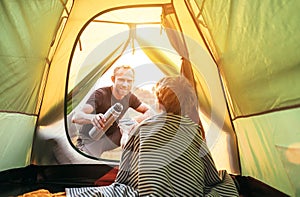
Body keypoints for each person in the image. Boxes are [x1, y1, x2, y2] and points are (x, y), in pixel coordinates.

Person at [66, 75, 239, 196]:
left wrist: (132, 130)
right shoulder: (194, 131)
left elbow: (126, 175)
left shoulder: (143, 129)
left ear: (159, 101)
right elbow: (209, 174)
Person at [72, 65, 153, 157]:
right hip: (88, 142)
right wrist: (92, 118)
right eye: (121, 80)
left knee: (132, 126)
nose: (125, 84)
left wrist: (132, 121)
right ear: (113, 79)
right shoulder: (101, 94)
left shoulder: (129, 97)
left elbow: (150, 112)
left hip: (107, 140)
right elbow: (76, 117)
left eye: (129, 81)